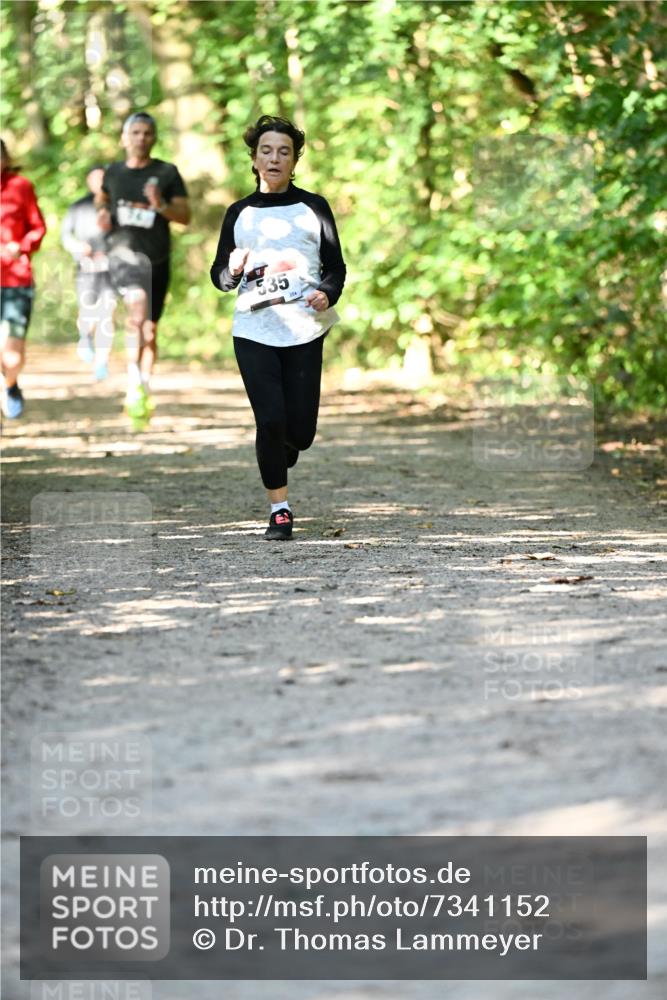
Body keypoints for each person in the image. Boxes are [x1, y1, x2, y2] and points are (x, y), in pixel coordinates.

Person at [210, 114, 346, 540]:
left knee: (299, 433)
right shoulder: (240, 213)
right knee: (269, 420)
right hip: (254, 330)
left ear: (294, 160)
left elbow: (336, 267)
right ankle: (280, 510)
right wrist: (230, 271)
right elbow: (219, 276)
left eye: (283, 152)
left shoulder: (314, 207)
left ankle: (283, 447)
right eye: (266, 150)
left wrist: (327, 291)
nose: (274, 158)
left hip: (305, 329)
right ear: (254, 159)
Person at [95, 112, 190, 423]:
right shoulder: (114, 172)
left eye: (147, 133)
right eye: (135, 132)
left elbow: (185, 216)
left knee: (149, 327)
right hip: (122, 256)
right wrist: (102, 215)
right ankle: (134, 378)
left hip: (156, 259)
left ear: (154, 138)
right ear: (125, 137)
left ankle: (143, 384)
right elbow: (102, 199)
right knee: (136, 309)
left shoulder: (166, 172)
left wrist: (160, 204)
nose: (141, 138)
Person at [0, 138, 47, 419]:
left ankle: (11, 384)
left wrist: (23, 245)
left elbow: (38, 228)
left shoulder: (21, 187)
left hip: (16, 279)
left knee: (13, 351)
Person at [61, 164, 116, 380]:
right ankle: (85, 337)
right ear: (88, 181)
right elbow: (66, 236)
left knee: (108, 312)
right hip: (85, 268)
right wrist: (78, 248)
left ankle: (102, 361)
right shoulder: (77, 208)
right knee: (89, 312)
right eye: (95, 179)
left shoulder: (116, 206)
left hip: (110, 268)